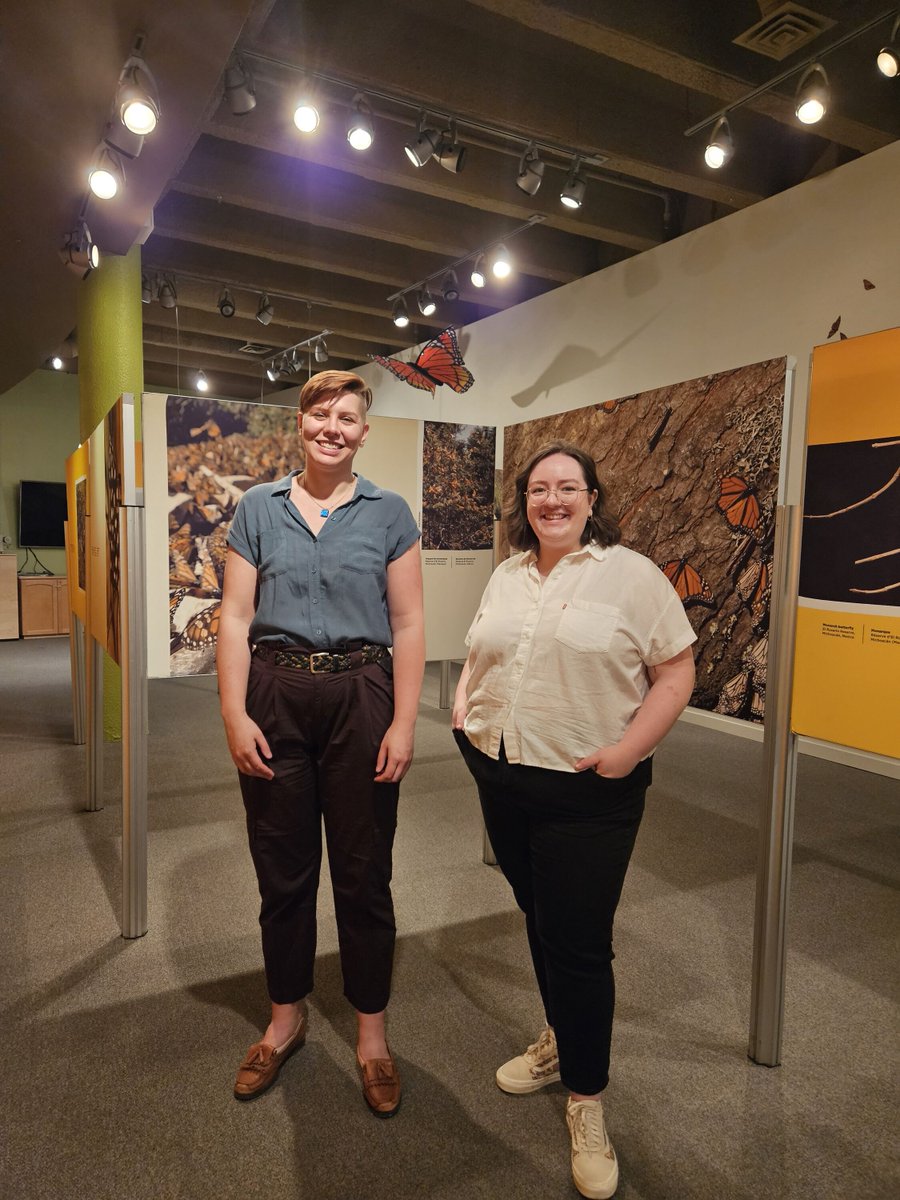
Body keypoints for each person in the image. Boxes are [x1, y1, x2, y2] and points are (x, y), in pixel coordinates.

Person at [452, 440, 696, 1199]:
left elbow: (676, 669)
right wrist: (463, 707)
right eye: (537, 490)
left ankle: (588, 1100)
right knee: (539, 913)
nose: (551, 500)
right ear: (523, 502)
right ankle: (561, 1037)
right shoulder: (508, 573)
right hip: (501, 769)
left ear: (593, 496)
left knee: (580, 943)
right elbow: (481, 651)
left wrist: (628, 750)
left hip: (590, 788)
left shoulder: (633, 576)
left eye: (567, 488)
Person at [217, 369, 424, 1117]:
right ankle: (285, 1017)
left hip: (360, 694)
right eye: (319, 415)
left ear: (365, 432)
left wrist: (404, 721)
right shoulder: (259, 510)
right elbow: (236, 619)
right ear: (299, 424)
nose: (332, 427)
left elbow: (406, 625)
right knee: (282, 866)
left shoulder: (390, 513)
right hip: (274, 693)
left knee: (365, 872)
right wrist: (235, 714)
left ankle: (372, 1034)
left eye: (347, 417)